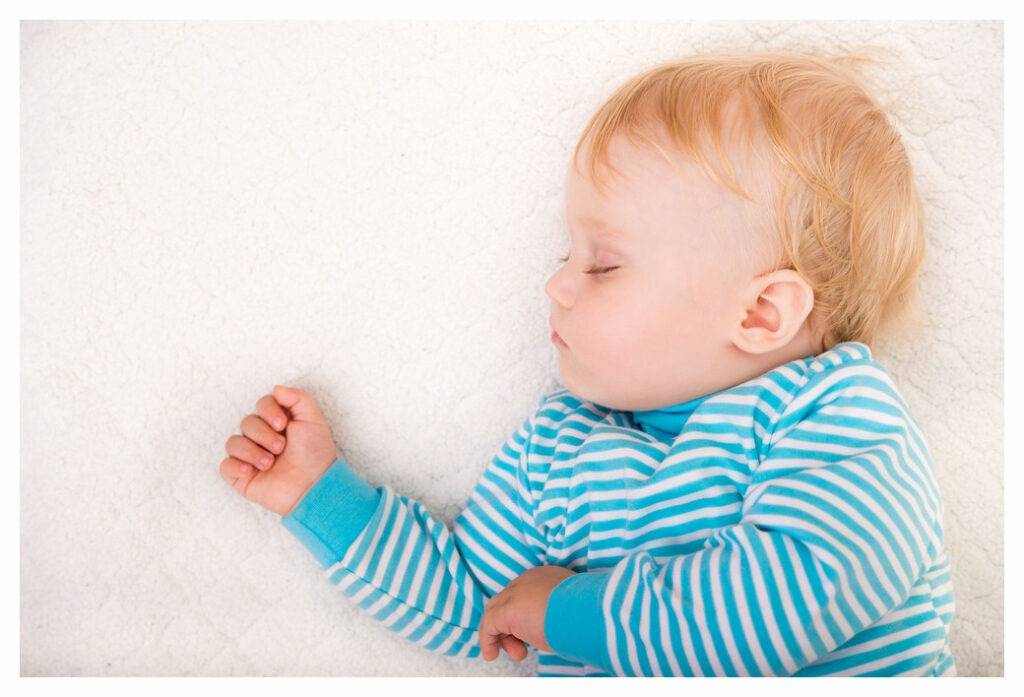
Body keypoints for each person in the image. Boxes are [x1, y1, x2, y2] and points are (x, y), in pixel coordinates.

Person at [219, 49, 955, 676]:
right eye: (566, 253)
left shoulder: (838, 414)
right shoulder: (562, 443)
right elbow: (480, 605)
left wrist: (569, 611)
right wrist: (322, 495)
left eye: (602, 265)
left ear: (760, 314)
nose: (557, 284)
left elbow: (793, 599)